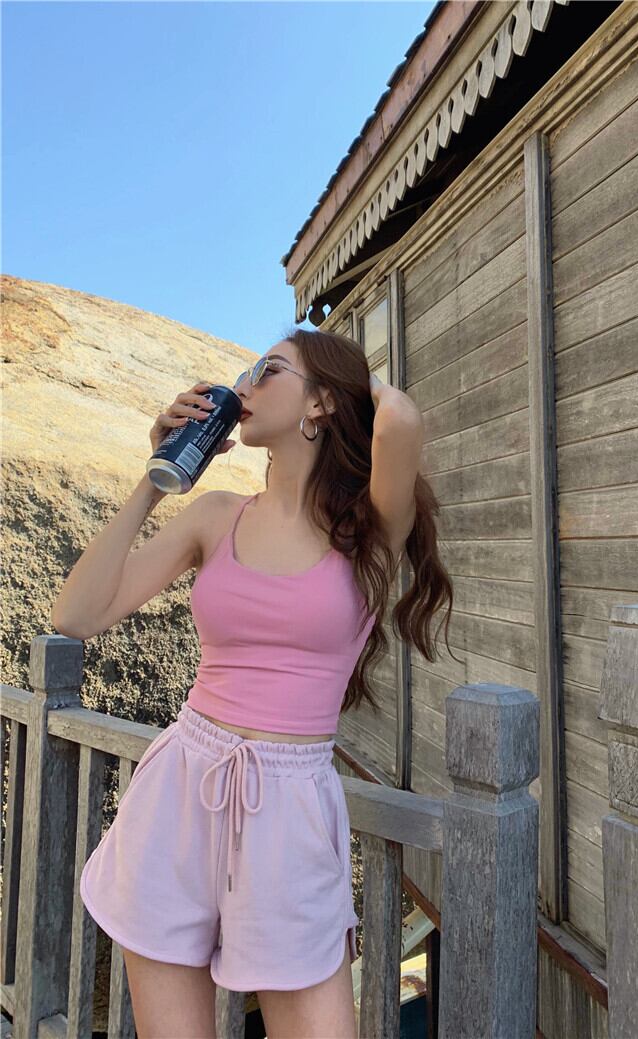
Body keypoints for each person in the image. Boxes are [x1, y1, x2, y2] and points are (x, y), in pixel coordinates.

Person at [51, 327, 457, 1039]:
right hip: (181, 789)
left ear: (321, 403)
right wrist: (158, 473)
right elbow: (76, 615)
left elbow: (399, 418)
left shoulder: (368, 531)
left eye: (267, 370)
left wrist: (348, 384)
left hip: (290, 811)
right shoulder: (215, 516)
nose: (243, 386)